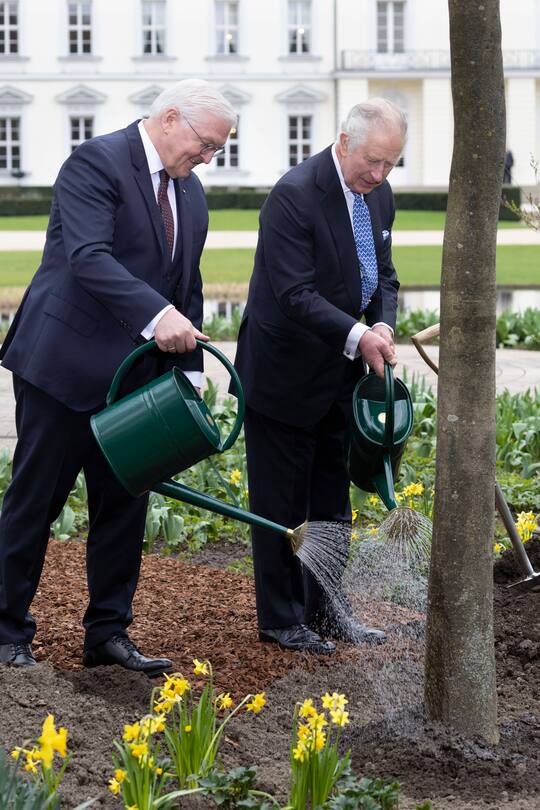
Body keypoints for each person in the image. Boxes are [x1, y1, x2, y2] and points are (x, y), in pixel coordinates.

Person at [0, 80, 236, 674]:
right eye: (206, 145)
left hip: (137, 381)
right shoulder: (96, 162)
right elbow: (88, 257)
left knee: (124, 508)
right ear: (171, 118)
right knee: (36, 503)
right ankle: (6, 632)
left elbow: (188, 287)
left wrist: (185, 379)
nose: (208, 158)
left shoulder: (191, 193)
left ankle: (108, 635)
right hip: (64, 369)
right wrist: (158, 317)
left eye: (216, 151)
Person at [233, 98, 406, 654]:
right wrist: (359, 337)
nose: (379, 176)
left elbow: (383, 275)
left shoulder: (379, 196)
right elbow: (293, 294)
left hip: (338, 375)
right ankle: (282, 620)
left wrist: (380, 321)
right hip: (282, 373)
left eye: (390, 165)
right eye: (372, 162)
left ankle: (328, 613)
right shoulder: (294, 195)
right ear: (344, 141)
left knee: (332, 501)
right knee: (280, 505)